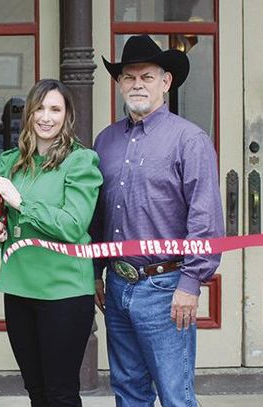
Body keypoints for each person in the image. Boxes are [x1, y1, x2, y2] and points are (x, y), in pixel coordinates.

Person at [92, 35, 224, 406]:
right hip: (117, 286)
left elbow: (205, 219)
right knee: (129, 391)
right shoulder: (105, 141)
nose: (137, 84)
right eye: (129, 77)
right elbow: (99, 214)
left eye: (146, 77)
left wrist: (190, 283)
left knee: (174, 395)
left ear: (166, 82)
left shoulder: (189, 140)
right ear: (119, 83)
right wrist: (96, 272)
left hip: (166, 287)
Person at [0, 78, 103, 407]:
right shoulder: (10, 162)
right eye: (39, 108)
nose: (46, 117)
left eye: (55, 109)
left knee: (61, 393)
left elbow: (73, 225)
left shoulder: (81, 161)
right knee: (36, 391)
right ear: (28, 113)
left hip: (64, 289)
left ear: (67, 116)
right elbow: (4, 225)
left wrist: (21, 202)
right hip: (20, 287)